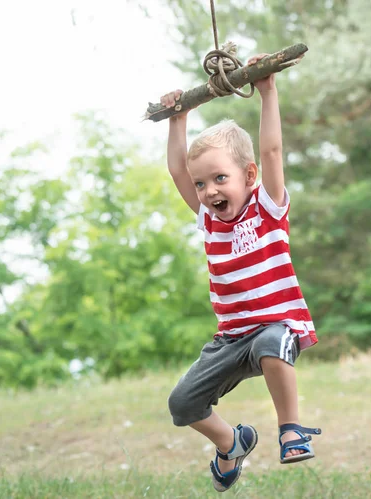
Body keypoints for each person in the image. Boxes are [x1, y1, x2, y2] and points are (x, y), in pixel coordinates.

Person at [161, 53, 320, 492]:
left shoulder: (266, 206)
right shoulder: (208, 219)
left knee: (272, 341)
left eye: (219, 179)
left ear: (249, 176)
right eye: (202, 184)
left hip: (277, 326)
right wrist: (179, 119)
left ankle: (291, 429)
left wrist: (268, 90)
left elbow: (271, 150)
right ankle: (233, 443)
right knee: (182, 403)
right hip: (230, 338)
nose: (209, 191)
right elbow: (177, 170)